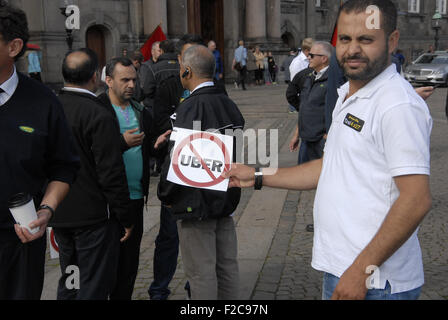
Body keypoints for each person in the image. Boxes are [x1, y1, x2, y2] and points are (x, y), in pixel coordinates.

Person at [225, 0, 433, 301]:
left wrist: (361, 270)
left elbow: (416, 199)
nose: (352, 49)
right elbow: (330, 166)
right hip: (343, 267)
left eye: (366, 39)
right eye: (345, 39)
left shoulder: (396, 105)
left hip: (377, 282)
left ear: (392, 41)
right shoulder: (350, 94)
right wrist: (256, 175)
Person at [0, 2, 80, 300]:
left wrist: (46, 210)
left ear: (14, 46)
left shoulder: (44, 101)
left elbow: (65, 167)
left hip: (21, 242)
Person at [158, 44, 245, 300]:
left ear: (186, 71)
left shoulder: (190, 107)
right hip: (224, 197)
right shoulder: (227, 102)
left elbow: (178, 162)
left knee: (201, 272)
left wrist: (165, 194)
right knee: (226, 266)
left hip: (197, 203)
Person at [51, 49, 133, 300]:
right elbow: (110, 171)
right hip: (93, 218)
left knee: (71, 277)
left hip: (60, 212)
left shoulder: (51, 107)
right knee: (93, 283)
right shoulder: (97, 113)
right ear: (96, 76)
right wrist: (125, 216)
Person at [97, 57, 168, 300]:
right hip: (105, 201)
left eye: (134, 80)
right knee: (105, 267)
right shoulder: (98, 109)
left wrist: (159, 145)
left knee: (128, 266)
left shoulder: (140, 111)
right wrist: (121, 143)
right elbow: (90, 153)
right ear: (108, 81)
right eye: (124, 79)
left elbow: (150, 148)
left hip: (135, 197)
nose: (131, 84)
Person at [148, 34, 205, 300]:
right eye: (186, 56)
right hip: (174, 172)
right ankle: (160, 286)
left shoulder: (212, 90)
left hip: (202, 171)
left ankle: (196, 284)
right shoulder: (169, 84)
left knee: (198, 234)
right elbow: (160, 123)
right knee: (168, 235)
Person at [289, 42, 332, 165]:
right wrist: (297, 134)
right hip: (306, 139)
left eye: (312, 55)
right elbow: (304, 107)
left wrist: (328, 135)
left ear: (323, 58)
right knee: (302, 176)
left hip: (321, 141)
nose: (308, 57)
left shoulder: (333, 80)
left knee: (322, 179)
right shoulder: (309, 77)